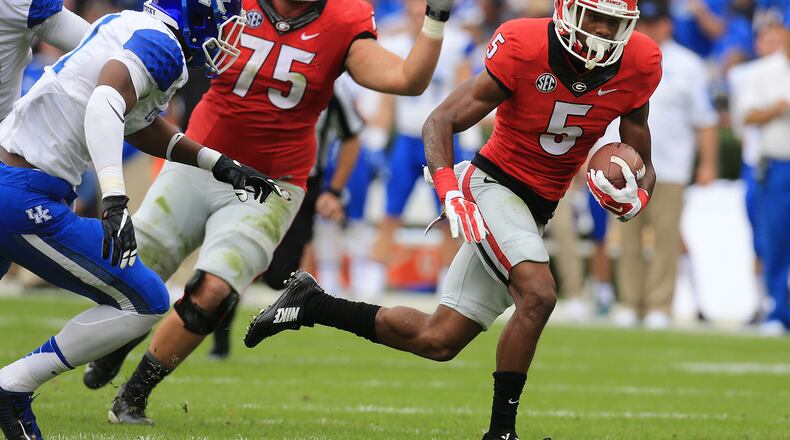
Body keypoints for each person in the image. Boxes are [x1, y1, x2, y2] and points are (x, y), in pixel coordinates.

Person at [245, 0, 663, 438]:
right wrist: (448, 189)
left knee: (438, 339)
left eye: (614, 21)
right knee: (538, 296)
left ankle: (311, 303)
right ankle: (501, 433)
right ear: (566, 11)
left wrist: (637, 194)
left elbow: (643, 162)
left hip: (537, 207)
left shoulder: (639, 62)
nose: (601, 30)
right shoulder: (524, 45)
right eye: (594, 16)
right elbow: (440, 120)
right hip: (493, 187)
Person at [83, 0, 457, 425]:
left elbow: (408, 80)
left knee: (214, 290)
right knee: (135, 271)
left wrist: (436, 17)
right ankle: (113, 347)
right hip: (199, 159)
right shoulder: (233, 4)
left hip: (272, 182)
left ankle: (133, 395)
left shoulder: (344, 16)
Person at [0, 0, 283, 437]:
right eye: (224, 19)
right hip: (24, 195)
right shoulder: (162, 44)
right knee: (145, 300)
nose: (227, 33)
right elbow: (105, 103)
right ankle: (12, 385)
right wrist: (115, 199)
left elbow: (136, 122)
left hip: (12, 176)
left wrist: (217, 162)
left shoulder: (125, 24)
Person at [209, 73, 365, 359]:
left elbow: (352, 137)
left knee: (279, 275)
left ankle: (286, 303)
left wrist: (335, 190)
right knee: (236, 261)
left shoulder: (332, 88)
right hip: (252, 179)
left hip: (301, 187)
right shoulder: (255, 73)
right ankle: (219, 344)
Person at [612, 0, 719, 329]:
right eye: (643, 23)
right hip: (625, 165)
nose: (647, 29)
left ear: (667, 26)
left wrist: (708, 163)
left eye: (654, 24)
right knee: (626, 236)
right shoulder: (620, 57)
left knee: (665, 237)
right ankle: (629, 302)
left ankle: (660, 305)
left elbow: (705, 120)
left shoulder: (689, 65)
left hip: (670, 166)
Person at [367, 0, 477, 296]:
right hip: (406, 138)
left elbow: (465, 90)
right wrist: (377, 137)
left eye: (423, 12)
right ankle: (375, 276)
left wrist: (468, 136)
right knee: (391, 212)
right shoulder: (395, 44)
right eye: (414, 13)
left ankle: (447, 280)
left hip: (442, 140)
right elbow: (387, 99)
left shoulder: (456, 42)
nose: (419, 18)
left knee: (446, 214)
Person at [739, 13, 790, 335]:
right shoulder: (762, 71)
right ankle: (777, 308)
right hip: (779, 161)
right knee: (775, 238)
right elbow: (748, 115)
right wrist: (779, 107)